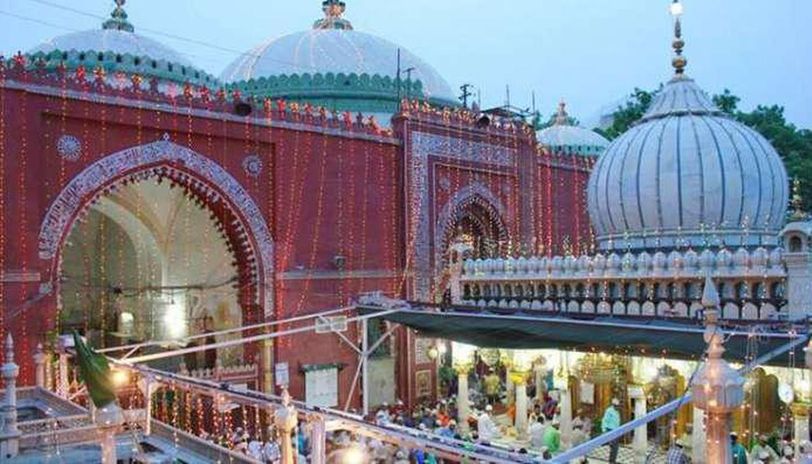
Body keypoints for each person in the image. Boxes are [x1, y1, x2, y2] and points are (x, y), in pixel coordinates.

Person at [602, 398, 621, 464]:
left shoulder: (617, 411)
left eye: (618, 406)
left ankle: (612, 461)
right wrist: (604, 431)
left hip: (616, 431)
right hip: (610, 430)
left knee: (615, 447)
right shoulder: (609, 411)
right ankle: (612, 461)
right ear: (613, 405)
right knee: (614, 447)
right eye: (616, 406)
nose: (618, 407)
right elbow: (605, 420)